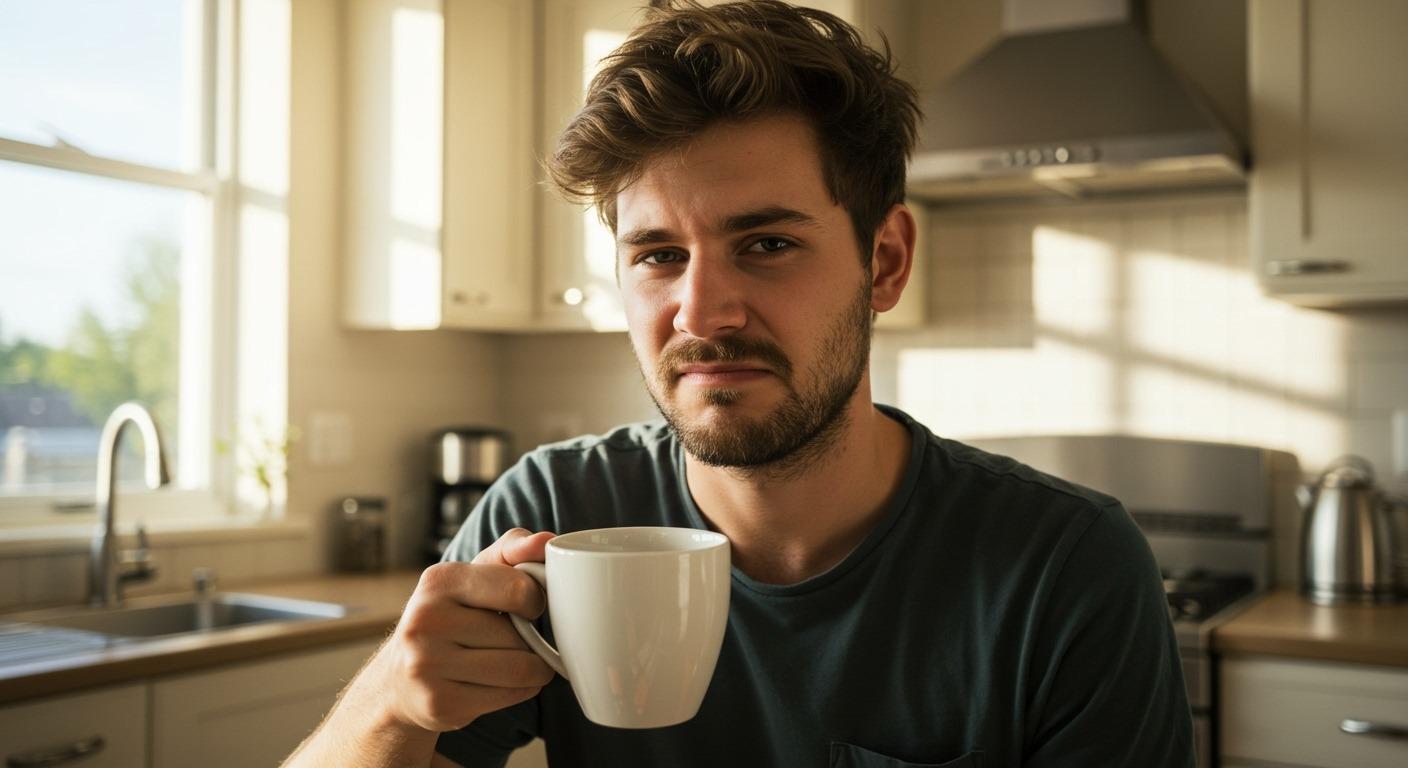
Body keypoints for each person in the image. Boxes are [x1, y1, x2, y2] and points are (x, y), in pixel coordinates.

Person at [285, 1, 1194, 766]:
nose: (702, 312)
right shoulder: (555, 514)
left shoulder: (1065, 568)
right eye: (659, 255)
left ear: (883, 261)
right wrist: (393, 706)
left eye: (766, 244)